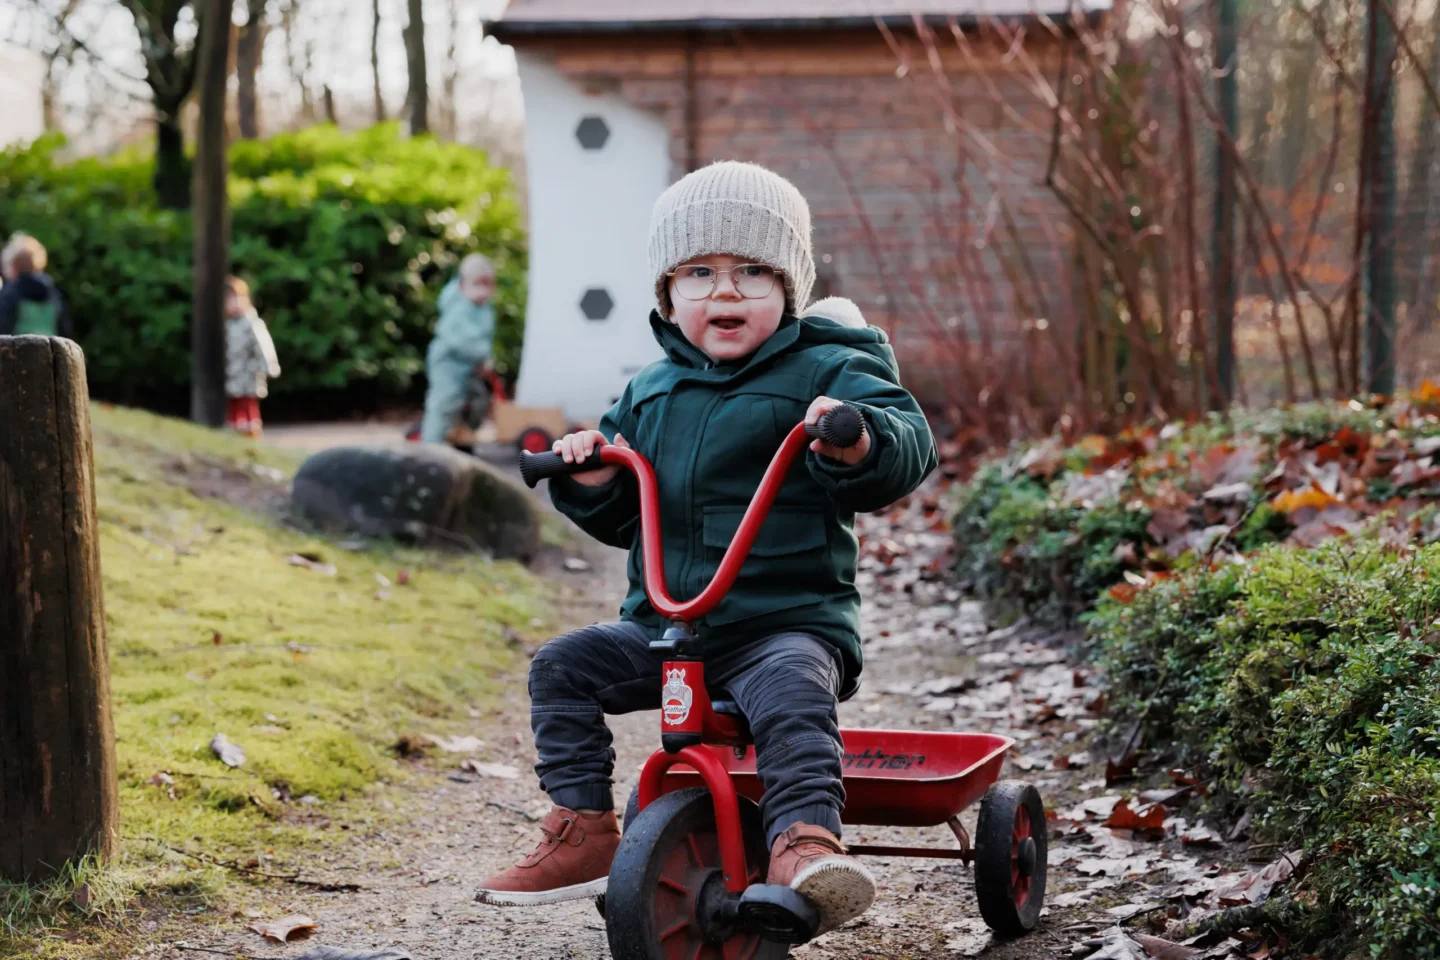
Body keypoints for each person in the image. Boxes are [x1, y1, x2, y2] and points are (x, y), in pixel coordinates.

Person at [476, 161, 938, 936]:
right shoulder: (650, 392)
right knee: (562, 666)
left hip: (782, 622)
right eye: (699, 272)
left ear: (789, 287)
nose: (724, 292)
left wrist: (854, 438)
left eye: (752, 271)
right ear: (668, 292)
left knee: (793, 693)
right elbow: (626, 512)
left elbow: (905, 444)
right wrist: (591, 474)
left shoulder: (830, 367)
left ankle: (802, 843)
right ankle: (583, 827)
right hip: (669, 626)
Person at [421, 254, 497, 446]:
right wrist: (482, 357)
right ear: (462, 285)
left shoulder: (484, 308)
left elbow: (483, 336)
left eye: (487, 285)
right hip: (448, 363)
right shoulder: (458, 308)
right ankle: (432, 445)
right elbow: (461, 340)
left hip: (469, 365)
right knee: (446, 401)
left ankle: (462, 437)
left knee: (478, 400)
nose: (483, 291)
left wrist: (481, 360)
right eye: (477, 284)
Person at [223, 277, 281, 438]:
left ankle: (251, 438)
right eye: (229, 300)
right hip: (231, 376)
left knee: (248, 408)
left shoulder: (252, 324)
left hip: (248, 376)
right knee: (233, 411)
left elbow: (263, 348)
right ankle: (235, 437)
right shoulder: (226, 326)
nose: (234, 304)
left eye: (237, 299)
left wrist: (269, 367)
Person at [0, 234, 72, 338]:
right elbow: (65, 330)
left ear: (13, 266)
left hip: (16, 352)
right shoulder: (54, 294)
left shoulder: (9, 294)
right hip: (49, 352)